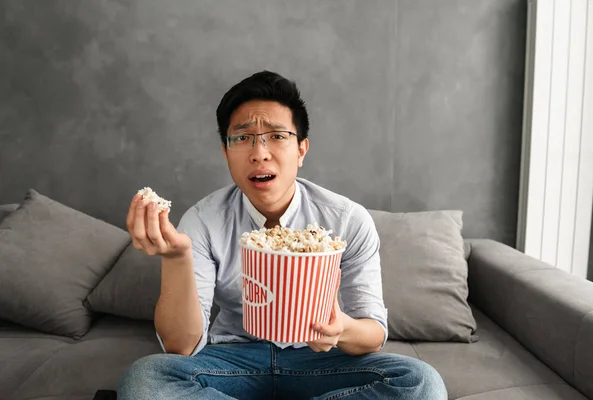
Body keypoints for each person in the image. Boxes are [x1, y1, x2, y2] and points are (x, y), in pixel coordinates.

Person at [118, 71, 448, 400]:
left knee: (420, 384)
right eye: (243, 137)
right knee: (145, 380)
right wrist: (177, 258)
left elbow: (373, 334)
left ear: (301, 150)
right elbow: (182, 346)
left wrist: (341, 330)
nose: (259, 152)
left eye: (277, 136)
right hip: (233, 359)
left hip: (322, 358)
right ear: (225, 151)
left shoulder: (348, 219)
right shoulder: (202, 220)